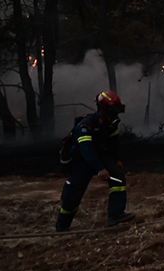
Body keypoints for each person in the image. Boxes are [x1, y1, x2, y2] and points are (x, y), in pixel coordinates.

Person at [56, 90, 134, 231]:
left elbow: (113, 142)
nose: (115, 114)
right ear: (103, 108)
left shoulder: (111, 123)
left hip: (100, 157)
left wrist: (117, 159)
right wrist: (100, 169)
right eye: (112, 110)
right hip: (82, 160)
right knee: (72, 196)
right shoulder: (86, 125)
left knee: (118, 176)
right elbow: (86, 150)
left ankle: (115, 215)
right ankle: (61, 228)